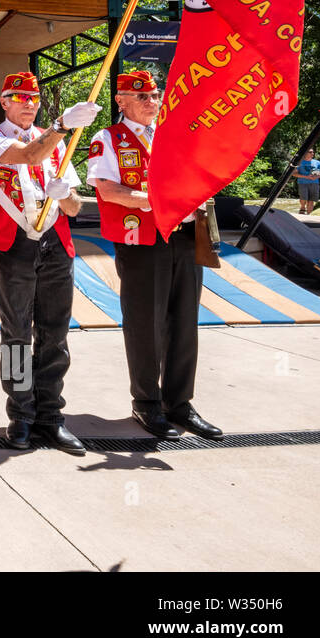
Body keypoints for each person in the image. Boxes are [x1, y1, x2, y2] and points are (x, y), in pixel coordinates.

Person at [0, 71, 100, 455]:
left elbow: (74, 207)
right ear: (3, 102)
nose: (28, 103)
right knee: (17, 333)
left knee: (55, 333)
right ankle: (20, 415)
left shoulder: (58, 145)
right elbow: (26, 156)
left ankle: (51, 417)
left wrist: (64, 195)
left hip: (56, 242)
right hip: (15, 244)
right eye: (18, 96)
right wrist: (60, 125)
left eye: (33, 97)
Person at [86, 70, 222, 440]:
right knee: (146, 324)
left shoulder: (173, 136)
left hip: (184, 237)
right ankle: (146, 404)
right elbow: (108, 189)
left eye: (155, 95)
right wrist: (160, 203)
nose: (152, 102)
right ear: (121, 100)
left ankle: (179, 404)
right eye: (142, 96)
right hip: (142, 241)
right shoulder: (108, 138)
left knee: (184, 323)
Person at [296, 149, 320, 214]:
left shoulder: (317, 162)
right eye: (310, 152)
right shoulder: (299, 162)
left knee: (311, 200)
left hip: (314, 183)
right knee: (303, 199)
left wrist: (317, 176)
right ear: (305, 153)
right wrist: (306, 177)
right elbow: (294, 174)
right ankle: (302, 207)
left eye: (313, 152)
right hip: (302, 183)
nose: (312, 153)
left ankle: (308, 216)